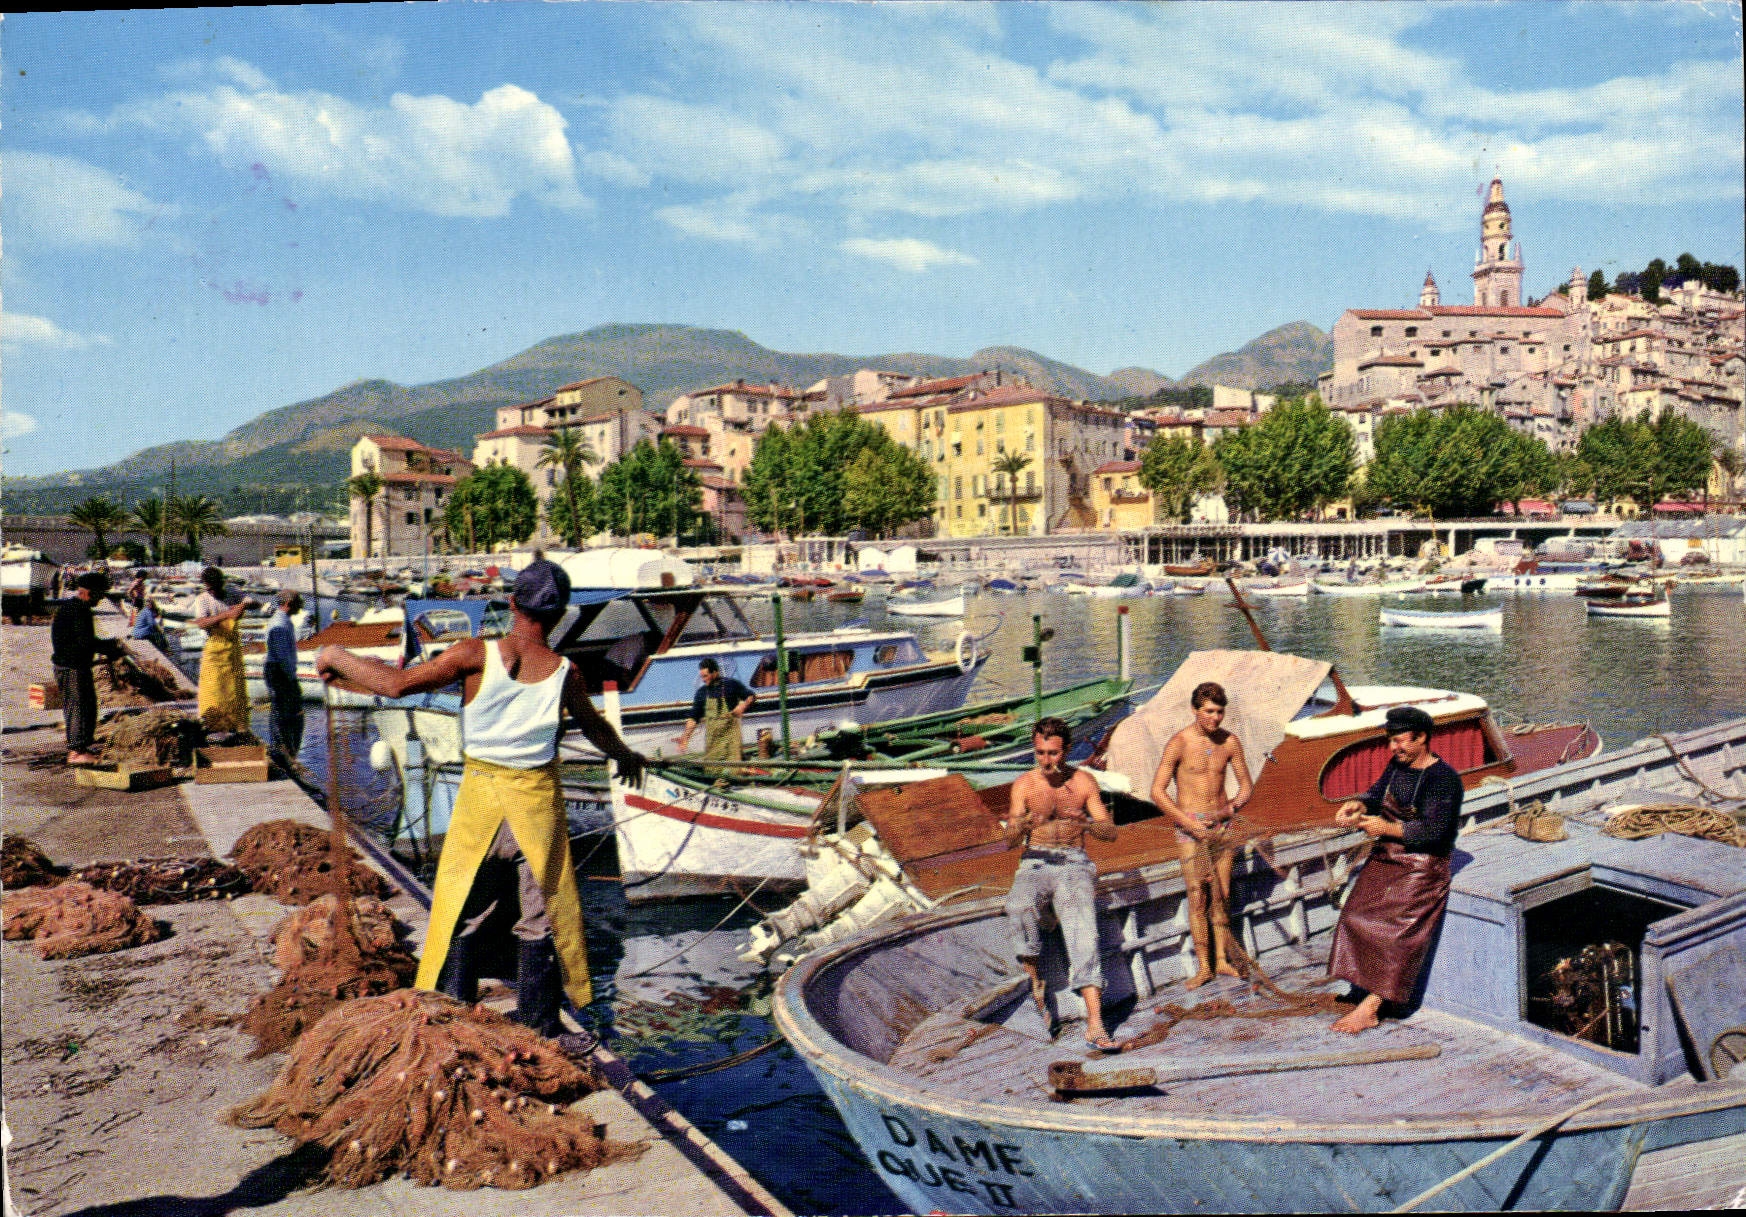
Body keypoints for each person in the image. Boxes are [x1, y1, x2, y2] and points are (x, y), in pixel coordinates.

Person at [317, 558, 646, 1049]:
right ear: (559, 616)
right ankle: (540, 1024)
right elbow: (596, 728)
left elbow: (395, 684)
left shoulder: (473, 654)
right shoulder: (564, 672)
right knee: (542, 914)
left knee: (462, 907)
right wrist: (626, 754)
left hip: (478, 805)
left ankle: (452, 1010)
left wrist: (337, 654)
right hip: (536, 809)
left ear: (513, 603)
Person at [1327, 704, 1463, 1034]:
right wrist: (1359, 805)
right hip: (1388, 857)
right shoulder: (1397, 765)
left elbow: (1433, 832)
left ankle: (1372, 1007)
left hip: (1424, 865)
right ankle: (1362, 988)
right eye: (1391, 741)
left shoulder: (1444, 780)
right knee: (1354, 915)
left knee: (1395, 932)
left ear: (1422, 739)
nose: (1393, 748)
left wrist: (1385, 829)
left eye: (1400, 741)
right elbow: (1376, 796)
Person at [1003, 717, 1120, 1050]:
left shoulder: (1083, 783)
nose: (1046, 761)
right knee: (1019, 906)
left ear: (1067, 750)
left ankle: (1095, 1022)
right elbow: (1009, 841)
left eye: (1053, 753)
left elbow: (1109, 832)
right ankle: (1036, 986)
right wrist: (1024, 823)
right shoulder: (1024, 785)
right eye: (1040, 753)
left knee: (1083, 930)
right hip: (1035, 860)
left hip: (1073, 861)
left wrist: (1084, 822)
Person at [1150, 681, 1253, 989]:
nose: (1215, 718)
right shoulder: (1179, 742)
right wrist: (1187, 823)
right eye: (1209, 711)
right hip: (1189, 826)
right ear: (1195, 710)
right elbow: (1157, 791)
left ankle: (1222, 961)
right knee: (1197, 895)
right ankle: (1203, 966)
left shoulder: (1230, 742)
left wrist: (1231, 808)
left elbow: (1246, 787)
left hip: (1222, 824)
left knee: (1221, 893)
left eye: (1220, 712)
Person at [51, 571, 124, 765]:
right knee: (79, 707)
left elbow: (86, 641)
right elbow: (87, 643)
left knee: (88, 706)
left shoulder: (74, 608)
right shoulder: (79, 610)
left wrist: (109, 646)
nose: (101, 599)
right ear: (88, 593)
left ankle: (81, 746)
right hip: (71, 667)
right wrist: (111, 650)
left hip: (74, 664)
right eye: (100, 594)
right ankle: (76, 752)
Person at [191, 566, 256, 733]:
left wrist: (244, 605)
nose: (213, 591)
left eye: (216, 587)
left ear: (222, 583)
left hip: (232, 648)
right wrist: (226, 615)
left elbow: (253, 602)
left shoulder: (232, 591)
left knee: (235, 690)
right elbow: (201, 623)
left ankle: (235, 724)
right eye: (210, 588)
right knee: (213, 690)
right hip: (214, 648)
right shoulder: (202, 599)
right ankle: (213, 724)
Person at [673, 657, 755, 761]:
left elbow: (751, 696)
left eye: (706, 676)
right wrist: (685, 738)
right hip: (712, 743)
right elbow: (693, 718)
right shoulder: (701, 693)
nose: (703, 679)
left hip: (731, 742)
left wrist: (742, 706)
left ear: (715, 673)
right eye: (702, 676)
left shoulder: (731, 685)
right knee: (713, 769)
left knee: (733, 769)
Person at [264, 589, 305, 761]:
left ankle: (286, 752)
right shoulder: (280, 624)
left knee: (286, 714)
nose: (301, 606)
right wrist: (291, 678)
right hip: (280, 673)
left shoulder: (283, 621)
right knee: (285, 714)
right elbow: (282, 656)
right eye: (298, 602)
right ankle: (282, 754)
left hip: (280, 672)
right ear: (288, 604)